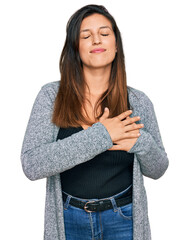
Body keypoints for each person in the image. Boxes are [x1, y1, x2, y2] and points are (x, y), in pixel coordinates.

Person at [20, 4, 169, 240]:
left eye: (105, 33)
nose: (97, 40)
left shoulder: (139, 102)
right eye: (86, 36)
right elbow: (32, 164)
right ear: (75, 47)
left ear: (116, 44)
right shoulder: (51, 97)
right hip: (69, 220)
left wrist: (139, 141)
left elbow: (158, 168)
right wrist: (103, 135)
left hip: (124, 219)